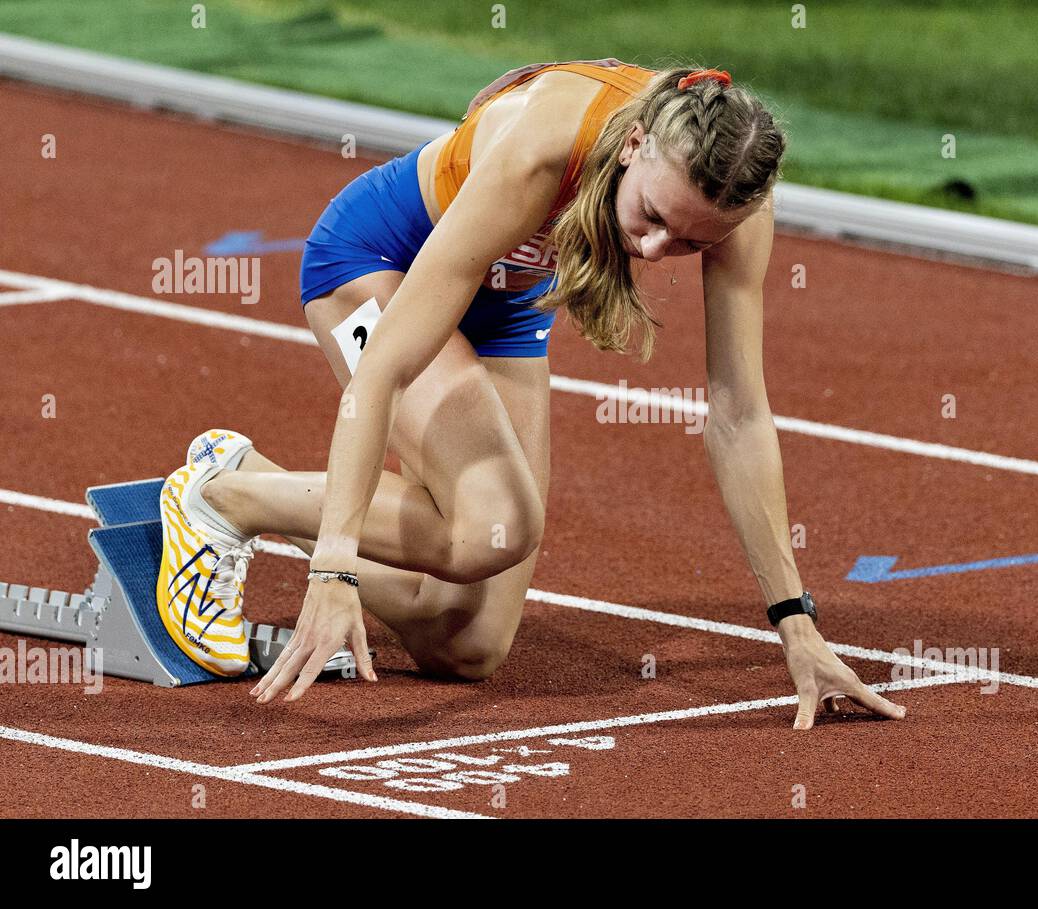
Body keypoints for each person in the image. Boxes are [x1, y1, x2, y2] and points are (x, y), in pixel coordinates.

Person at [155, 60, 907, 730]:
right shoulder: (541, 148)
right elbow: (383, 368)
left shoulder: (740, 204)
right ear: (636, 142)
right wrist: (334, 567)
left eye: (688, 244)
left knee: (471, 644)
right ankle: (223, 502)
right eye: (650, 218)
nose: (653, 250)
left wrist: (796, 625)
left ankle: (252, 473)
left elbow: (739, 412)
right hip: (379, 264)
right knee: (499, 520)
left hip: (507, 300)